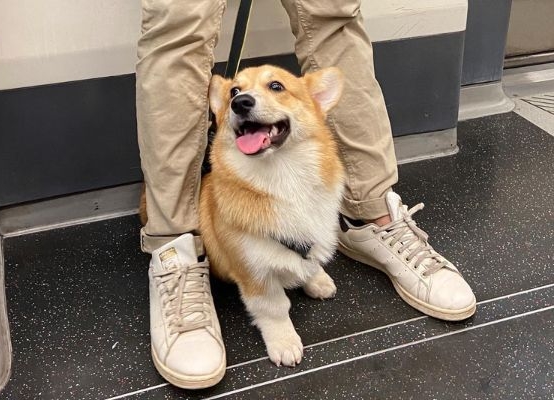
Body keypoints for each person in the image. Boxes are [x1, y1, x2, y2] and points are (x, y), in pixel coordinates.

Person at [136, 0, 476, 389]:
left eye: (275, 87)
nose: (244, 100)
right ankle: (175, 248)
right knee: (177, 22)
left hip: (301, 191)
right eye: (237, 95)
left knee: (332, 11)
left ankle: (370, 215)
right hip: (246, 246)